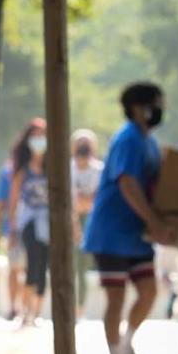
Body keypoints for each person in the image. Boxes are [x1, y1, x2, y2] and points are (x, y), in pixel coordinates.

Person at [82, 81, 176, 354]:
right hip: (111, 233)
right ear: (139, 107)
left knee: (149, 290)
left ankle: (126, 345)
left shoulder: (149, 140)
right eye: (156, 103)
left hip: (136, 235)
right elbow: (127, 183)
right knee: (116, 296)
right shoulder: (128, 139)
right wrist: (154, 221)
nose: (160, 109)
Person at [0, 121, 42, 319]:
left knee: (33, 269)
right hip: (14, 227)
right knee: (15, 268)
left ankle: (27, 309)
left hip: (39, 229)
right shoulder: (10, 170)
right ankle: (14, 308)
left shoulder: (47, 170)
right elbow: (1, 203)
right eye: (37, 136)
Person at [8, 120, 50, 327]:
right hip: (29, 221)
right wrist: (12, 227)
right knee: (32, 263)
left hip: (49, 223)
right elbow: (14, 198)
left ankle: (36, 312)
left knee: (43, 266)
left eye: (43, 135)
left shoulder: (53, 168)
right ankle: (26, 312)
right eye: (35, 135)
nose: (39, 140)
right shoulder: (23, 169)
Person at [71, 128, 104, 317]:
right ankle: (74, 307)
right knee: (75, 267)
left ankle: (80, 308)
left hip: (92, 221)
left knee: (85, 267)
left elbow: (95, 199)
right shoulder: (68, 168)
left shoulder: (99, 170)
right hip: (72, 220)